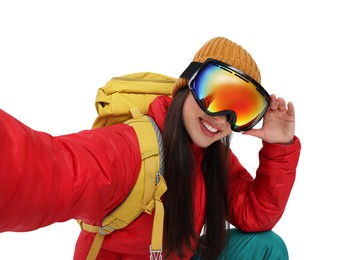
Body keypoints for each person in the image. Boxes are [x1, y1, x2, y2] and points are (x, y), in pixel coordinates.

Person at [0, 37, 301, 259]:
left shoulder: (211, 156)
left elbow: (255, 213)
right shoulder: (132, 148)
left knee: (266, 248)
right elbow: (53, 170)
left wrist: (279, 146)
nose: (221, 118)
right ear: (188, 84)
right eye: (214, 95)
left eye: (240, 109)